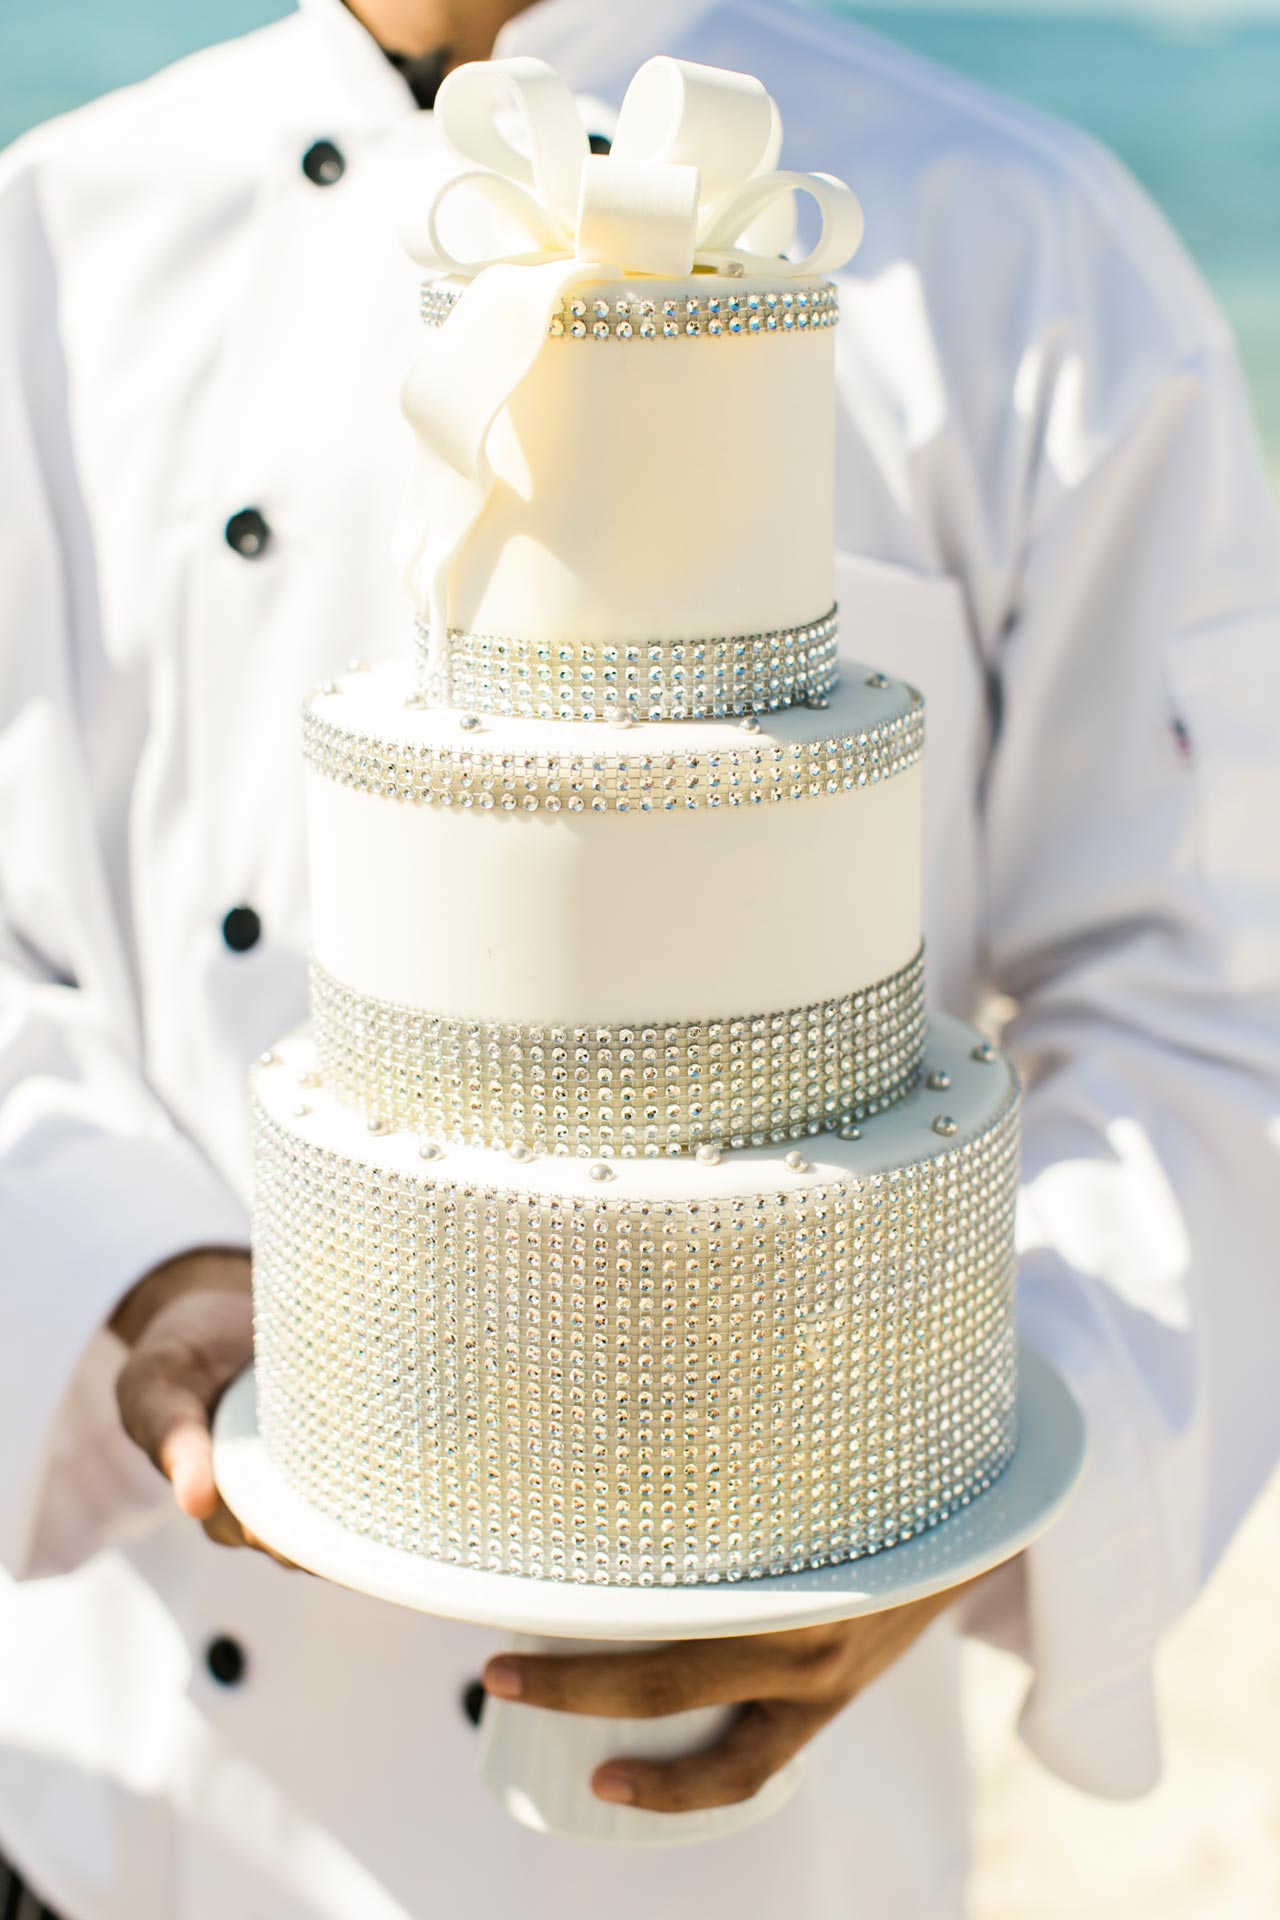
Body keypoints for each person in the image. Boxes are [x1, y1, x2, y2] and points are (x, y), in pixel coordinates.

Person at [2, 0, 1278, 1914]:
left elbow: (1208, 999)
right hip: (136, 1806)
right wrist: (127, 1265)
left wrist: (932, 1482)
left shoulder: (1025, 248)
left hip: (743, 1850)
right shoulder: (49, 248)